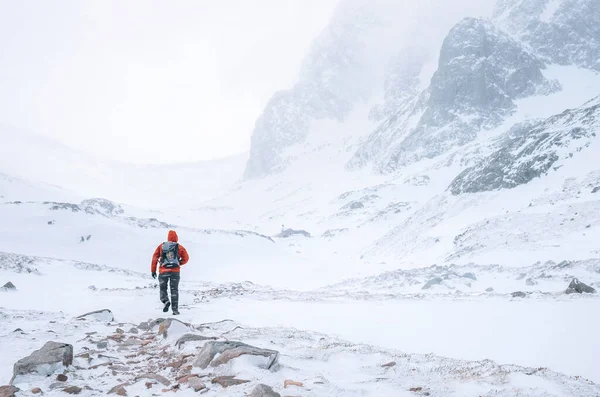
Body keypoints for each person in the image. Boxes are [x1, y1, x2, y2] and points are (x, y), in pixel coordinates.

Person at [151, 230, 189, 315]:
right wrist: (179, 263)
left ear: (168, 238)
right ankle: (175, 310)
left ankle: (165, 301)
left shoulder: (161, 246)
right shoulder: (180, 247)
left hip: (163, 271)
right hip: (175, 272)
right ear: (176, 238)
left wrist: (153, 270)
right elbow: (186, 258)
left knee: (163, 288)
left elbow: (155, 257)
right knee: (174, 290)